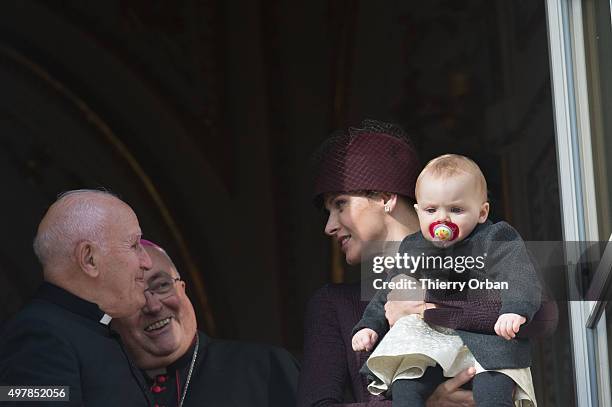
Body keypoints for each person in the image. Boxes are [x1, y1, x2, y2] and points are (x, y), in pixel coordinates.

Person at [298, 120, 557, 407]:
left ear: (385, 198)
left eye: (340, 204)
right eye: (328, 211)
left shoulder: (490, 248)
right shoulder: (333, 305)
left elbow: (542, 316)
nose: (329, 226)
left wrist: (425, 306)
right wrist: (426, 403)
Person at [352, 154, 540, 406]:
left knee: (493, 389)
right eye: (431, 210)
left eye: (456, 210)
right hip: (432, 338)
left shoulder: (496, 237)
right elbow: (391, 290)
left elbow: (519, 275)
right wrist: (369, 325)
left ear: (482, 212)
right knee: (407, 381)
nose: (442, 219)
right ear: (419, 212)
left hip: (485, 341)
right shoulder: (413, 246)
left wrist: (514, 309)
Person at [0, 190, 154, 406]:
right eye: (134, 245)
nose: (147, 262)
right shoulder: (39, 336)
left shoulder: (92, 327)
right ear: (89, 259)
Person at [113, 240, 299, 407]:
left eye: (162, 285)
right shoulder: (101, 391)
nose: (153, 306)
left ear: (182, 289)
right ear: (111, 316)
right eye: (133, 296)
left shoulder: (264, 368)